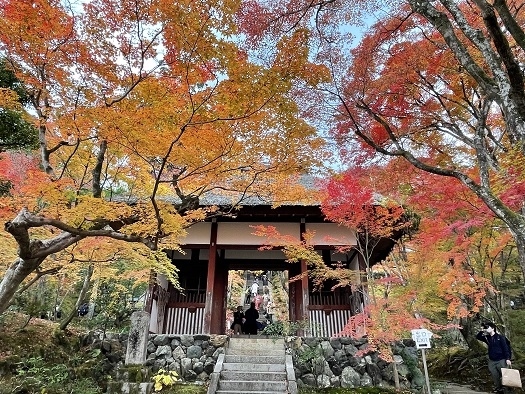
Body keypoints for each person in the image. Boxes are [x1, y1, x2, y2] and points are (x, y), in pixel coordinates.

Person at [476, 322, 512, 394]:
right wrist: (482, 330)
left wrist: (508, 358)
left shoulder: (500, 337)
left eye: (488, 327)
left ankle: (508, 390)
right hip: (492, 361)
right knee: (495, 376)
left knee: (505, 375)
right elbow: (478, 337)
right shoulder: (487, 338)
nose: (487, 328)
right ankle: (499, 389)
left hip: (501, 359)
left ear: (493, 328)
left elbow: (505, 348)